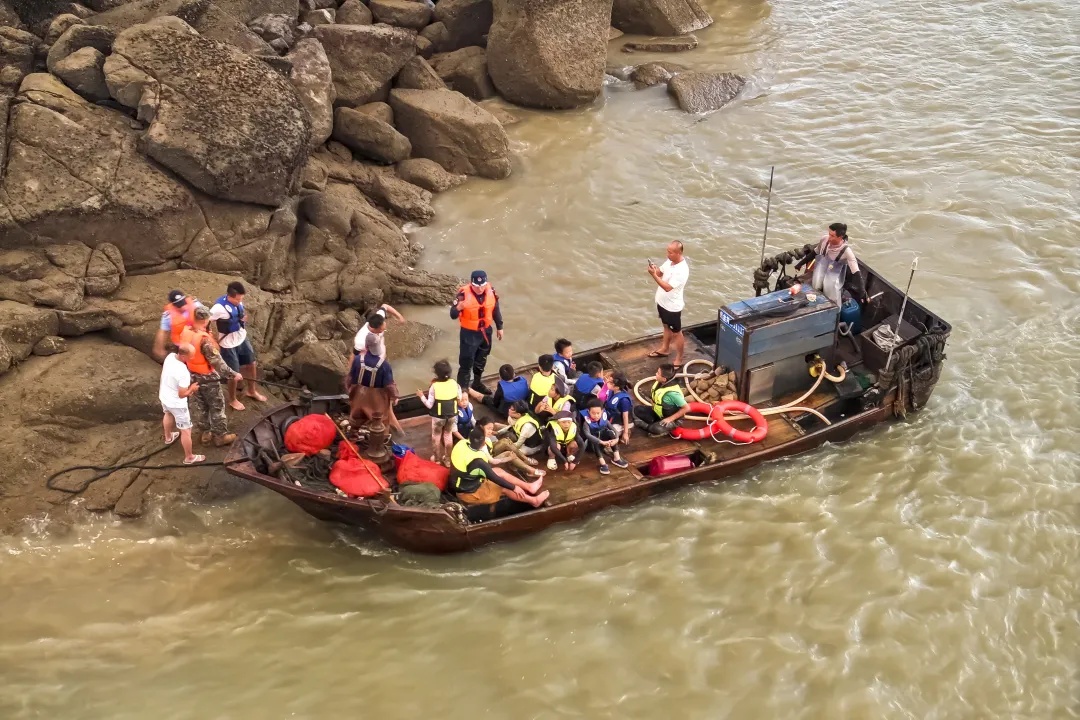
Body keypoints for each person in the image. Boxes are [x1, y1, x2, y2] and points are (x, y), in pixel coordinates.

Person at [179, 307, 241, 447]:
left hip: (191, 375)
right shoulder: (204, 341)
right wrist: (233, 374)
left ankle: (205, 433)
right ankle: (220, 436)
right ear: (206, 320)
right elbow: (217, 361)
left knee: (200, 406)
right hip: (208, 378)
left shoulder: (186, 332)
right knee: (217, 406)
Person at [450, 427, 548, 513]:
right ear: (483, 443)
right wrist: (514, 487)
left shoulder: (462, 444)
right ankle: (534, 501)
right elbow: (495, 478)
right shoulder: (478, 462)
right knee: (503, 487)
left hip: (464, 482)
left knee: (499, 471)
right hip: (468, 493)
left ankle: (529, 487)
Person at [208, 281, 267, 411]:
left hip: (241, 337)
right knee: (233, 373)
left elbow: (239, 314)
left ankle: (252, 390)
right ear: (230, 296)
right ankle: (233, 399)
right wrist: (210, 336)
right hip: (228, 344)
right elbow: (206, 320)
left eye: (241, 299)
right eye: (238, 299)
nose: (240, 301)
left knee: (252, 363)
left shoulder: (238, 302)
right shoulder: (218, 308)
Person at [450, 270, 503, 394]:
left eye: (482, 285)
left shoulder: (491, 292)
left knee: (481, 360)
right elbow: (452, 314)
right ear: (472, 284)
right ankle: (462, 389)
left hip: (485, 332)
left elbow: (496, 310)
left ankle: (477, 383)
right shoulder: (463, 294)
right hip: (469, 334)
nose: (480, 289)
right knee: (466, 362)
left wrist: (499, 327)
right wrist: (459, 307)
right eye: (477, 286)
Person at [800, 222, 867, 306]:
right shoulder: (824, 240)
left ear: (840, 237)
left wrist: (862, 293)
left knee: (832, 297)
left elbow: (856, 272)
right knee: (815, 288)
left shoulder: (846, 252)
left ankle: (836, 314)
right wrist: (800, 264)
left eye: (832, 236)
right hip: (821, 271)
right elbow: (815, 252)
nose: (829, 238)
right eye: (829, 234)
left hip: (834, 277)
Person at [647, 240, 690, 369]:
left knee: (677, 332)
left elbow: (667, 287)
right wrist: (655, 270)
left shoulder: (682, 270)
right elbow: (660, 272)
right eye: (667, 251)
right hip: (662, 303)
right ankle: (665, 349)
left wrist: (654, 276)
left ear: (678, 253)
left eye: (670, 252)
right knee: (666, 327)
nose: (667, 254)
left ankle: (679, 358)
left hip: (672, 307)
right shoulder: (670, 262)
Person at [345, 333, 400, 431]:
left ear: (366, 346)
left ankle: (353, 434)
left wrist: (349, 390)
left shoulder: (358, 360)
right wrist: (395, 397)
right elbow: (389, 385)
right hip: (377, 401)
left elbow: (349, 378)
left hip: (359, 396)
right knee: (380, 422)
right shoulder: (384, 365)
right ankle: (382, 439)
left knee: (356, 418)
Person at [159, 343, 203, 465]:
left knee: (167, 414)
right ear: (184, 355)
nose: (192, 358)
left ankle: (168, 438)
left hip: (164, 396)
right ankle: (189, 457)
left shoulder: (170, 356)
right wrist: (192, 389)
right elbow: (182, 394)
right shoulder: (183, 372)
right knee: (186, 430)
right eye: (191, 356)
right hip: (177, 404)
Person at [415, 359, 460, 466]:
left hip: (438, 417)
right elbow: (459, 397)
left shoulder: (434, 387)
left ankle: (437, 459)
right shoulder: (454, 383)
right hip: (452, 415)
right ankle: (448, 460)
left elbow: (429, 405)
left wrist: (421, 396)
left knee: (436, 435)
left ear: (436, 374)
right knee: (448, 435)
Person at [633, 363, 693, 436]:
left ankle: (650, 427)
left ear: (664, 379)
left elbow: (686, 408)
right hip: (658, 413)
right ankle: (653, 422)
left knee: (655, 429)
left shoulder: (672, 394)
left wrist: (670, 419)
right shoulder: (660, 383)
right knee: (637, 409)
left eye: (658, 373)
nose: (656, 374)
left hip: (670, 418)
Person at [578, 398, 630, 475]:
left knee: (611, 433)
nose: (596, 416)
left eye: (598, 413)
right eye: (593, 413)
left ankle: (616, 458)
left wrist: (616, 439)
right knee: (594, 440)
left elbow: (613, 429)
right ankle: (603, 464)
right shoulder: (586, 422)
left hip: (604, 442)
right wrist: (601, 442)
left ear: (602, 411)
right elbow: (587, 435)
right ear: (589, 412)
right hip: (592, 444)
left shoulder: (604, 418)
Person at [480, 419, 545, 479]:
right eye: (488, 429)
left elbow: (491, 443)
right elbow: (492, 461)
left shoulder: (482, 434)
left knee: (505, 441)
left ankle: (525, 459)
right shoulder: (481, 444)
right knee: (509, 454)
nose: (491, 431)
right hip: (486, 462)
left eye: (491, 429)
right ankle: (531, 471)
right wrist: (509, 458)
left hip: (489, 451)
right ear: (481, 427)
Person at [153, 289, 202, 360]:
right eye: (179, 305)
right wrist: (159, 348)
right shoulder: (168, 315)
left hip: (197, 339)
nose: (183, 307)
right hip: (182, 345)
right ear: (173, 305)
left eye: (183, 303)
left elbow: (207, 318)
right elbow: (163, 332)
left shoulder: (195, 305)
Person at [604, 372, 634, 445]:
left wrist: (625, 433)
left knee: (608, 434)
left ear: (617, 387)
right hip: (610, 416)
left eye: (610, 382)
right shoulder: (612, 391)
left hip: (619, 422)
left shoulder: (624, 400)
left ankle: (626, 430)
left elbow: (625, 416)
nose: (607, 382)